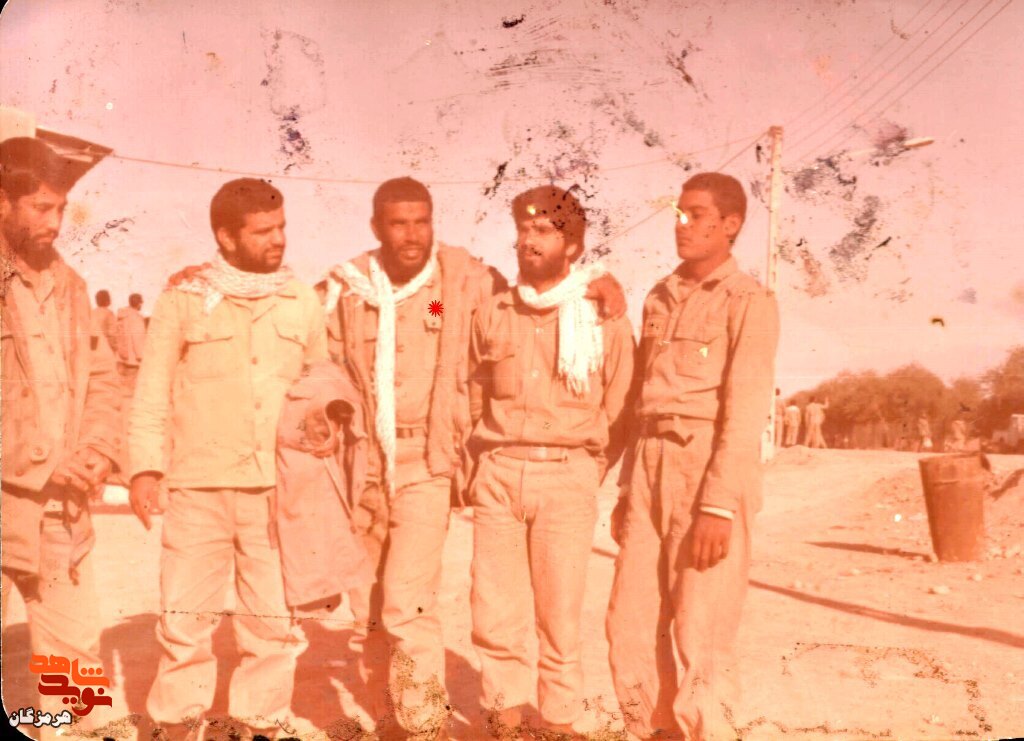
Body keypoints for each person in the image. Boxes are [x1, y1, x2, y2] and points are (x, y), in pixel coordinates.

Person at [320, 176, 626, 738]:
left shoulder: (450, 290)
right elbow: (316, 341)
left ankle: (425, 724)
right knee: (372, 609)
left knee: (414, 601)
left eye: (422, 222)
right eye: (398, 224)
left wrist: (597, 278)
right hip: (364, 464)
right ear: (376, 227)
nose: (412, 235)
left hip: (428, 461)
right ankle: (395, 714)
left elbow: (616, 400)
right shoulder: (350, 290)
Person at [128, 178, 327, 740]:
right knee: (184, 622)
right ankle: (176, 723)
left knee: (273, 625)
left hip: (276, 491)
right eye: (263, 231)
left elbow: (321, 384)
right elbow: (152, 388)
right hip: (199, 488)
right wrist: (145, 467)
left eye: (281, 227)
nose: (278, 239)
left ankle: (260, 724)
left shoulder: (303, 300)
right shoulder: (185, 297)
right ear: (226, 236)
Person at [606, 172, 780, 740]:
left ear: (730, 225)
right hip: (649, 464)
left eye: (696, 215)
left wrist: (718, 506)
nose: (682, 225)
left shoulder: (748, 300)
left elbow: (745, 411)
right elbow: (639, 401)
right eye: (678, 214)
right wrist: (627, 488)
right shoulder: (659, 295)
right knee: (629, 627)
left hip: (704, 465)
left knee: (701, 634)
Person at [467, 185, 635, 737]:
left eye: (544, 230)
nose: (528, 240)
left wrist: (587, 471)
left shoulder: (604, 316)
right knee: (495, 614)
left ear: (574, 246)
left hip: (567, 476)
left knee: (559, 618)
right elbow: (451, 343)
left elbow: (621, 407)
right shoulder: (490, 310)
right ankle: (505, 723)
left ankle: (560, 724)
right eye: (523, 229)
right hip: (498, 475)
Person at [1, 137, 122, 738]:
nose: (55, 223)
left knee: (76, 674)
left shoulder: (71, 286)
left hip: (57, 510)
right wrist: (43, 460)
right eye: (40, 208)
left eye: (61, 209)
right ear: (2, 202)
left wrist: (96, 448)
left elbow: (103, 379)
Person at [114, 292, 146, 395]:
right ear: (138, 303)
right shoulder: (136, 317)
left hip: (120, 355)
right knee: (130, 390)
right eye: (141, 303)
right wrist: (141, 355)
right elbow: (138, 337)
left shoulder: (121, 316)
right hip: (132, 358)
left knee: (121, 386)